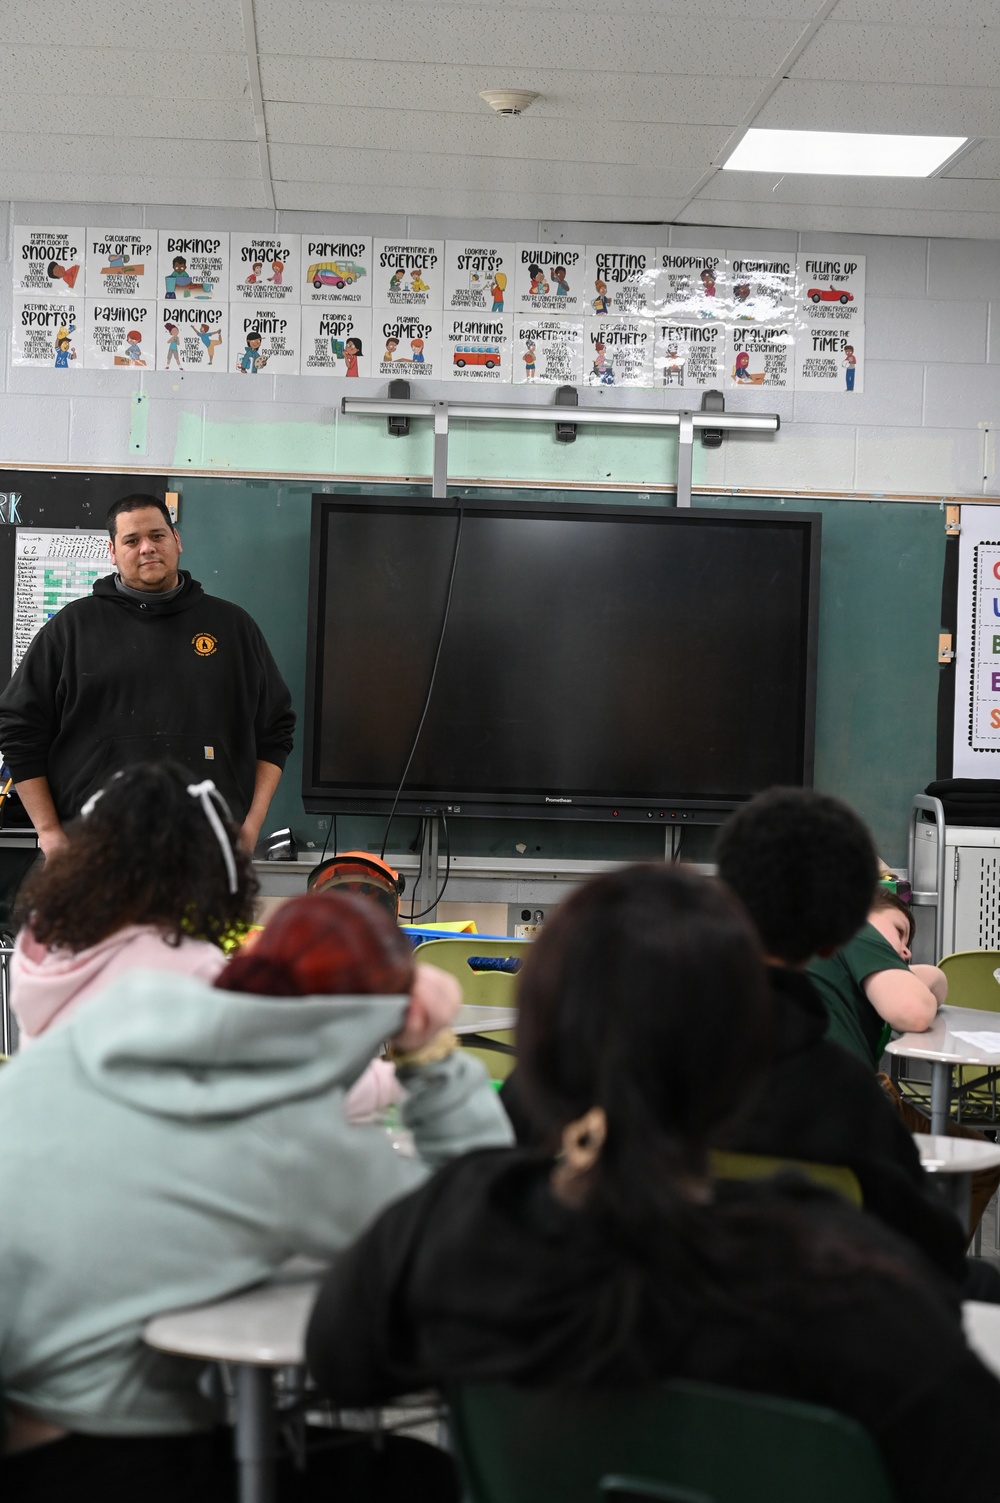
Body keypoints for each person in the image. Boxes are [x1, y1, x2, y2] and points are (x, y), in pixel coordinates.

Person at [306, 865, 1000, 1503]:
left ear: (543, 1042)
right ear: (743, 1052)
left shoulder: (460, 1230)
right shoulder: (860, 1286)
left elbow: (340, 1359)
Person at [0, 887, 511, 1502]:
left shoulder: (118, 1017)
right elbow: (477, 1218)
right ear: (370, 1024)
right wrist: (430, 1054)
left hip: (16, 1416)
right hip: (98, 1457)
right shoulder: (296, 1147)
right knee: (419, 1476)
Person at [713, 786, 997, 1294]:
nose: (904, 953)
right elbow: (910, 1010)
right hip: (845, 1284)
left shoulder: (669, 1043)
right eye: (898, 935)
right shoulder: (840, 1085)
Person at [0, 493, 294, 856]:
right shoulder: (71, 629)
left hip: (207, 851)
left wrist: (251, 826)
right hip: (94, 851)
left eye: (157, 536)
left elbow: (275, 730)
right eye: (132, 540)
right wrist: (47, 830)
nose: (147, 548)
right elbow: (18, 728)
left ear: (177, 541)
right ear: (112, 551)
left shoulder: (232, 627)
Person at [808, 884, 945, 1069]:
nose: (906, 953)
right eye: (899, 931)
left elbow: (936, 981)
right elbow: (912, 1011)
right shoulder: (857, 930)